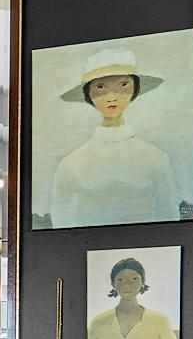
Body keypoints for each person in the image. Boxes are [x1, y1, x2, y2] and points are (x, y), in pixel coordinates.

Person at [42, 45, 184, 227]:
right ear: (88, 95)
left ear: (135, 90)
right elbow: (62, 224)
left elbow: (169, 217)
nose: (112, 97)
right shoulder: (70, 165)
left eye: (123, 85)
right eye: (100, 87)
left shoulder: (156, 159)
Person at [87, 255, 178, 339]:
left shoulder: (160, 321)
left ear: (142, 282)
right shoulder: (98, 322)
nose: (127, 284)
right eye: (120, 280)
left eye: (134, 279)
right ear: (113, 284)